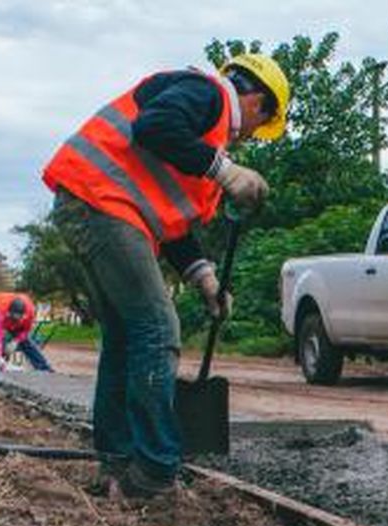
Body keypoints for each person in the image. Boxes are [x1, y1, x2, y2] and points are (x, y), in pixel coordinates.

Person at [42, 53, 289, 497]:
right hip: (101, 203)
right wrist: (225, 169)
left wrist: (204, 278)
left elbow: (169, 223)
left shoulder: (200, 137)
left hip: (95, 203)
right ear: (256, 101)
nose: (250, 136)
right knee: (157, 328)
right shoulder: (207, 94)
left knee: (125, 337)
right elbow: (153, 128)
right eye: (259, 125)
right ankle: (154, 473)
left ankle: (117, 465)